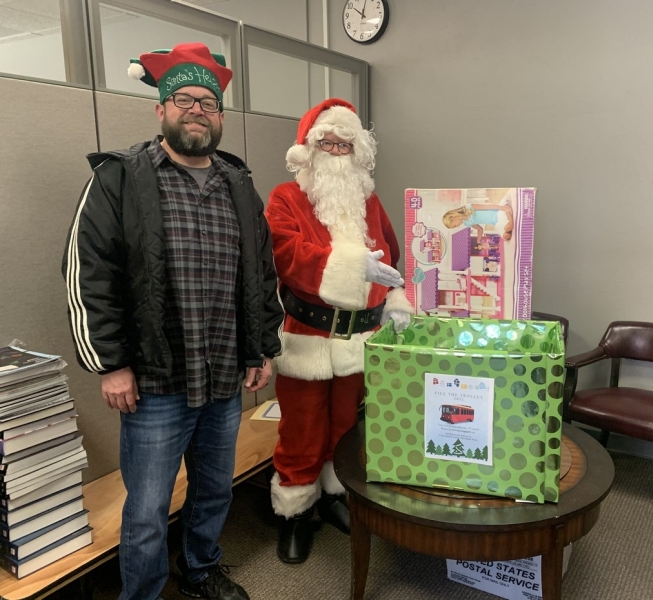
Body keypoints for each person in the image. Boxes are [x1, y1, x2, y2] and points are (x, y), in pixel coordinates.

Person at [62, 42, 283, 600]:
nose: (195, 111)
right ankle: (143, 592)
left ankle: (202, 567)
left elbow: (261, 271)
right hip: (156, 381)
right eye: (182, 99)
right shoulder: (121, 179)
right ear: (159, 110)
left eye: (207, 103)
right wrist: (110, 366)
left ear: (221, 118)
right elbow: (90, 275)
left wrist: (260, 348)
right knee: (147, 506)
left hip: (224, 376)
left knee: (214, 489)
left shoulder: (239, 184)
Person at [265, 98, 414, 564]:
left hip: (358, 341)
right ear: (309, 149)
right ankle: (294, 514)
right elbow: (287, 256)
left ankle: (332, 496)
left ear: (357, 152)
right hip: (307, 339)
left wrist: (395, 298)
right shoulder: (285, 198)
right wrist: (352, 265)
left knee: (346, 427)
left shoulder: (368, 201)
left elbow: (390, 254)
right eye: (326, 141)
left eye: (344, 143)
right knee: (301, 429)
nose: (335, 150)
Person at [442, 203, 515, 240]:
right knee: (506, 236)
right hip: (495, 223)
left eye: (454, 225)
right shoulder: (466, 223)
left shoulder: (468, 208)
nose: (457, 226)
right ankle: (509, 220)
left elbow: (487, 206)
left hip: (497, 214)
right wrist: (478, 240)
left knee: (507, 228)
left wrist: (503, 208)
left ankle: (510, 218)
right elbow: (480, 229)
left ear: (453, 217)